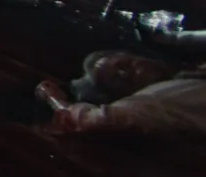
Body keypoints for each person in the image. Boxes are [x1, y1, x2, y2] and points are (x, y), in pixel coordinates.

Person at [36, 51, 206, 138]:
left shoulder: (186, 75)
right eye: (117, 79)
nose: (125, 74)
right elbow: (84, 120)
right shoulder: (150, 100)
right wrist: (55, 99)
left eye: (124, 65)